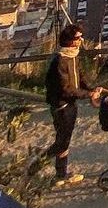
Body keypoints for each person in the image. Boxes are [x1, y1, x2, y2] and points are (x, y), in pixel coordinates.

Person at [37, 24, 101, 186]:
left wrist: (90, 89)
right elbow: (65, 89)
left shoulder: (72, 56)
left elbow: (79, 77)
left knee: (64, 139)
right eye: (78, 38)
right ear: (70, 41)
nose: (81, 40)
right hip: (62, 105)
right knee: (62, 142)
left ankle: (60, 174)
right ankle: (36, 166)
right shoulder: (60, 60)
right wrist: (88, 94)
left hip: (69, 104)